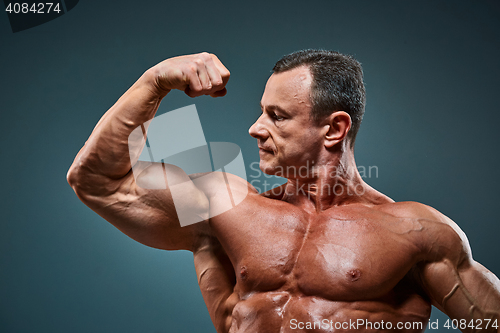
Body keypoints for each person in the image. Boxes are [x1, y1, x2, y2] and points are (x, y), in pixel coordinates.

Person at [67, 50, 500, 333]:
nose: (255, 128)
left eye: (276, 116)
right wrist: (153, 82)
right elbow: (96, 182)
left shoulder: (415, 232)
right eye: (261, 112)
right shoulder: (227, 206)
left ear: (334, 128)